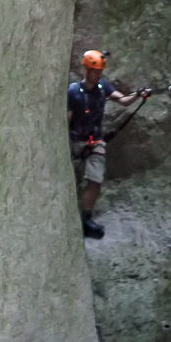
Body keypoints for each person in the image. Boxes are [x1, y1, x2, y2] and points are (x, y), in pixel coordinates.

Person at [68, 49, 150, 238]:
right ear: (87, 70)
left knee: (95, 179)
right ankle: (76, 217)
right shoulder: (73, 92)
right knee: (76, 180)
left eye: (100, 72)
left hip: (95, 141)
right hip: (76, 142)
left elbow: (123, 100)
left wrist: (138, 94)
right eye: (95, 72)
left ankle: (86, 219)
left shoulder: (102, 87)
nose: (98, 75)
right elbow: (67, 118)